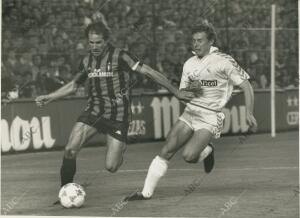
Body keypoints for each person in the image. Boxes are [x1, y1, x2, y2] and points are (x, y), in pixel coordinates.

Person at [35, 22, 196, 196]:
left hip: (118, 117)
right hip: (94, 112)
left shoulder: (121, 56)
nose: (94, 46)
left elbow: (149, 72)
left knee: (111, 167)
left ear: (106, 41)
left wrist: (175, 91)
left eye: (98, 42)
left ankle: (120, 148)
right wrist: (50, 97)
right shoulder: (86, 60)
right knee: (70, 149)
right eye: (91, 43)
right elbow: (74, 85)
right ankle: (64, 191)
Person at [125, 21, 258, 201]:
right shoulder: (189, 63)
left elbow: (247, 86)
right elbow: (185, 92)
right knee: (166, 150)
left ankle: (207, 151)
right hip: (190, 111)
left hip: (210, 117)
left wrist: (249, 113)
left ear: (210, 41)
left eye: (200, 40)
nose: (195, 44)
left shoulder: (224, 61)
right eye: (193, 40)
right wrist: (189, 91)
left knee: (189, 156)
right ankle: (145, 193)